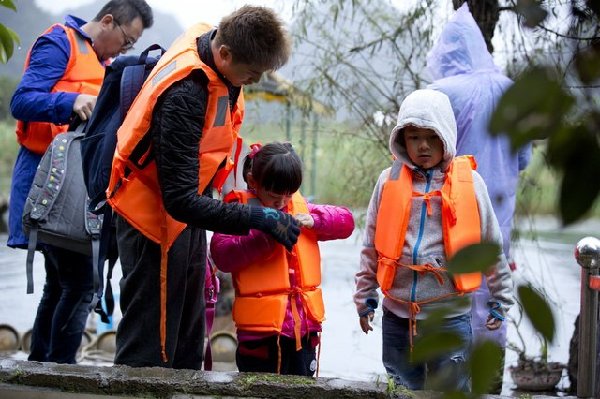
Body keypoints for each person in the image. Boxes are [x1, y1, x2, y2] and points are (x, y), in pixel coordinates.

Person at [106, 6, 300, 370]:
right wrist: (258, 216)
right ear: (224, 54)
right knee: (150, 348)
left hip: (185, 217)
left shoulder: (217, 57)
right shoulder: (185, 94)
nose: (254, 81)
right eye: (251, 74)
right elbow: (179, 200)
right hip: (151, 221)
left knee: (187, 340)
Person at [7, 0, 153, 364]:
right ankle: (58, 369)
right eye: (126, 40)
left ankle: (41, 364)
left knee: (61, 282)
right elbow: (22, 101)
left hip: (80, 186)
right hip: (51, 184)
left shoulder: (106, 65)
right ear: (107, 21)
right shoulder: (61, 43)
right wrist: (72, 101)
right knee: (81, 283)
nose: (125, 49)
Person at [353, 89, 514, 391]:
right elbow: (370, 245)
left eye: (432, 136)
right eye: (414, 137)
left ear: (447, 138)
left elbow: (490, 246)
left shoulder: (471, 184)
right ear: (402, 140)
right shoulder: (388, 181)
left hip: (449, 316)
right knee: (400, 390)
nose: (423, 146)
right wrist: (365, 297)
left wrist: (501, 300)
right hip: (397, 315)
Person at [426, 4, 531, 389]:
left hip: (450, 216)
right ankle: (489, 382)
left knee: (450, 297)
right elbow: (521, 160)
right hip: (499, 218)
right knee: (492, 296)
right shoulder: (512, 92)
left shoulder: (442, 93)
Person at [210, 142, 354, 376]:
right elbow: (221, 254)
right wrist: (266, 239)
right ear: (253, 181)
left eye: (288, 194)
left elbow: (347, 222)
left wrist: (315, 220)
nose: (282, 202)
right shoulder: (238, 210)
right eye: (275, 196)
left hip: (303, 333)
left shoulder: (300, 208)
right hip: (260, 337)